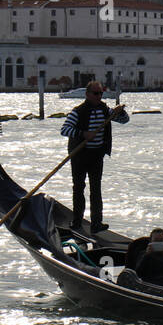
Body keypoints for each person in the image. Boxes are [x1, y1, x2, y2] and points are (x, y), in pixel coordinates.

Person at [59, 81, 129, 233]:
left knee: (96, 189)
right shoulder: (78, 112)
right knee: (79, 188)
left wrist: (120, 112)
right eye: (96, 93)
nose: (99, 96)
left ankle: (96, 223)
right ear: (88, 94)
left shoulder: (106, 111)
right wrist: (83, 134)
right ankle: (77, 222)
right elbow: (64, 130)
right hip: (79, 155)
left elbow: (125, 121)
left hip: (96, 155)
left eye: (100, 93)